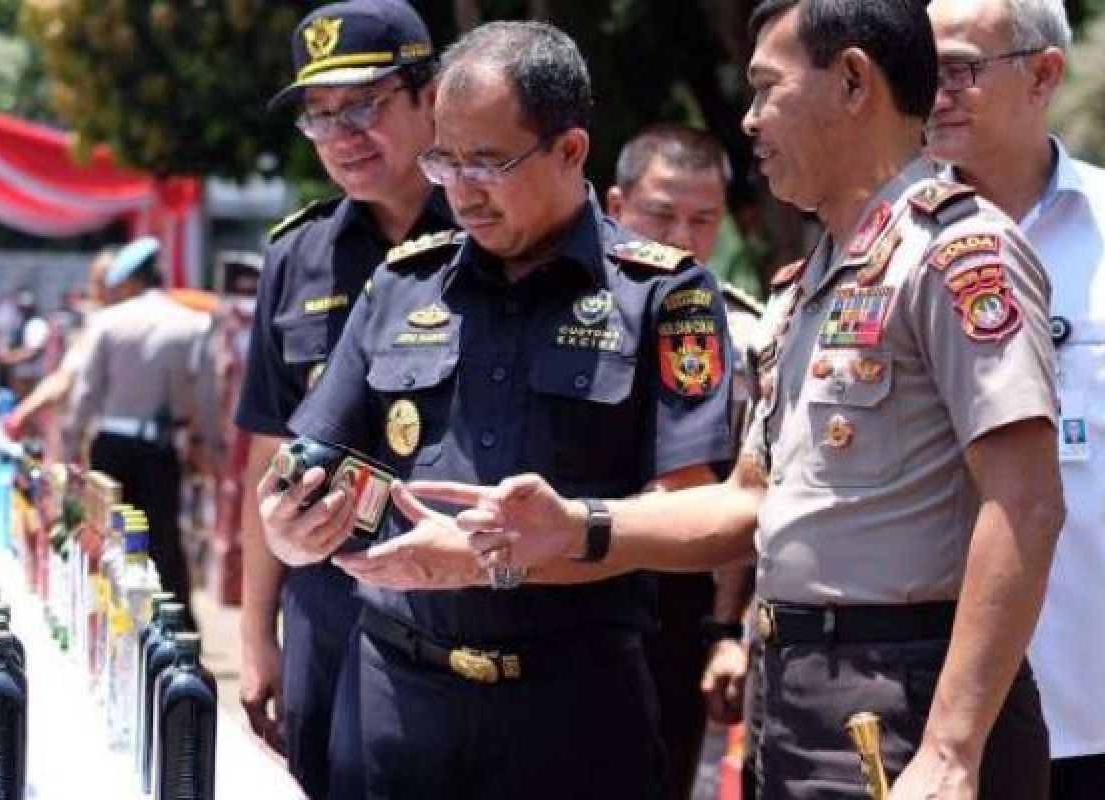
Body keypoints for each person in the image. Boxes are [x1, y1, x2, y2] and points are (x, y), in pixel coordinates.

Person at [402, 3, 1065, 799]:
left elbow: (1025, 504)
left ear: (853, 80)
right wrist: (575, 526)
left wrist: (954, 748)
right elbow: (749, 503)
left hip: (906, 695)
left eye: (765, 88)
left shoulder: (958, 254)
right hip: (794, 693)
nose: (747, 119)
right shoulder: (810, 286)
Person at [259, 20, 735, 799]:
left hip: (573, 712)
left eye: (487, 163)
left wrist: (504, 553)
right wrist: (287, 520)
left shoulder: (662, 296)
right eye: (444, 160)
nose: (460, 190)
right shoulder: (402, 285)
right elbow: (309, 457)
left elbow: (695, 516)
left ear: (571, 151)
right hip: (395, 701)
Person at [232, 1, 449, 795]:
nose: (344, 135)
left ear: (433, 95)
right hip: (330, 607)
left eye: (365, 106)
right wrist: (259, 634)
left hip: (465, 605)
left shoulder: (498, 228)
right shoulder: (298, 256)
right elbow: (267, 455)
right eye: (321, 118)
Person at [925, 1, 1105, 795]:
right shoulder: (884, 240)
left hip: (1092, 698)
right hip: (929, 716)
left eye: (958, 69)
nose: (934, 93)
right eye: (919, 71)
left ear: (1043, 74)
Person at [607, 123, 761, 799]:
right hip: (562, 593)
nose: (682, 238)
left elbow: (751, 492)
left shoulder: (750, 335)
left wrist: (728, 631)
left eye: (703, 220)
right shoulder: (563, 314)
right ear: (617, 207)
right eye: (660, 215)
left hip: (681, 610)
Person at [65, 236, 220, 631]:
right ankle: (166, 633)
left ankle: (107, 625)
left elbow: (85, 394)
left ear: (131, 281)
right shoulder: (191, 324)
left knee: (107, 540)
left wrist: (69, 451)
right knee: (161, 544)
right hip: (159, 449)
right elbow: (205, 398)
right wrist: (213, 451)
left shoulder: (107, 322)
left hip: (110, 450)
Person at [2, 249, 116, 455]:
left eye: (97, 283)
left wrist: (21, 414)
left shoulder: (102, 323)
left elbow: (65, 378)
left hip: (98, 436)